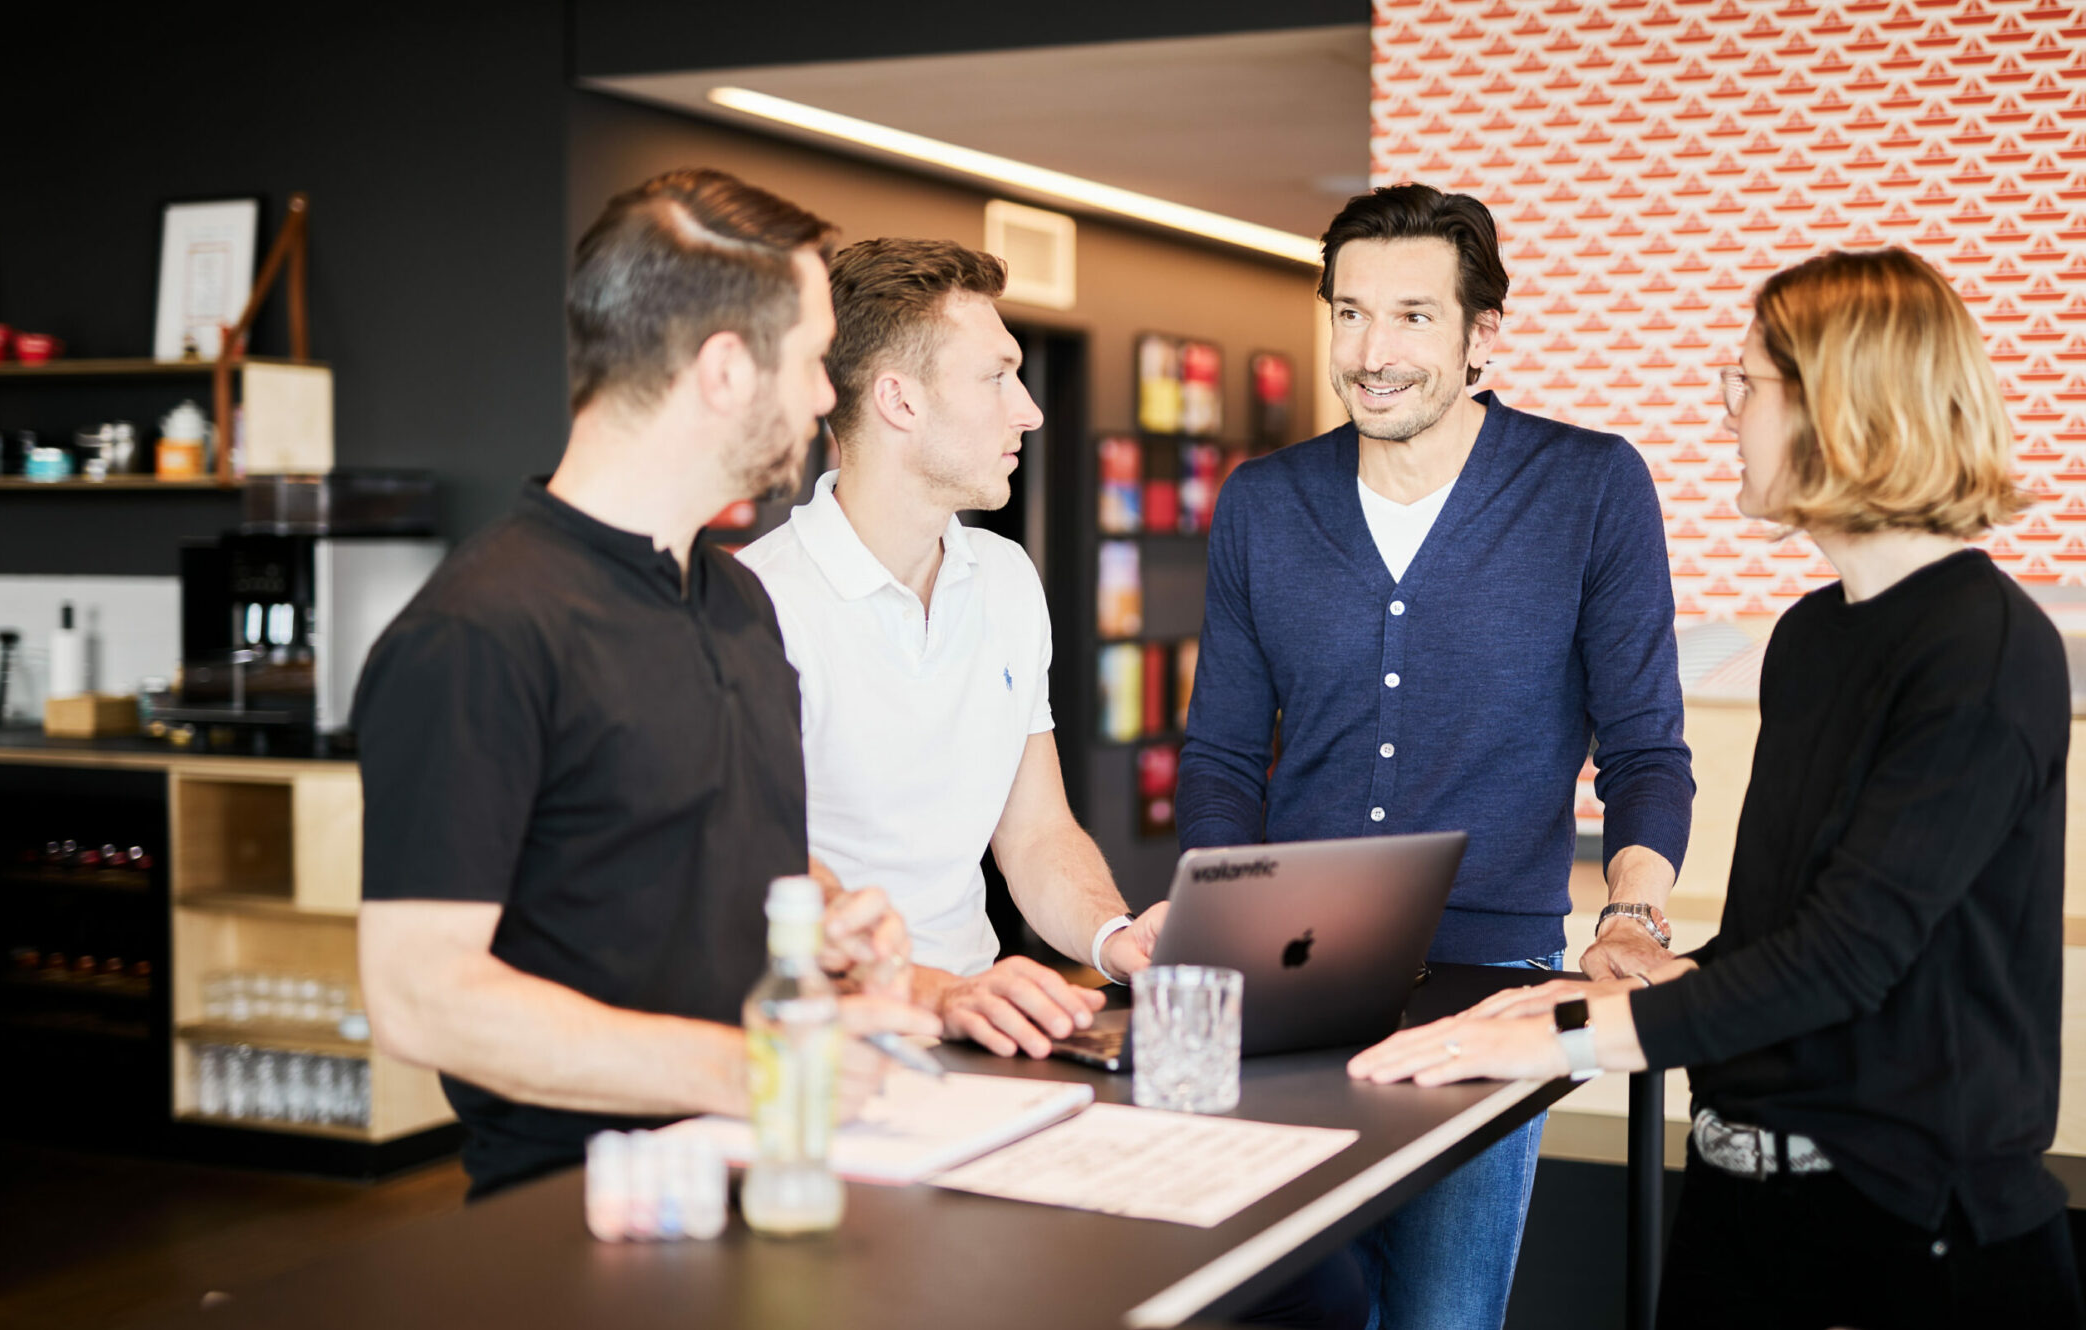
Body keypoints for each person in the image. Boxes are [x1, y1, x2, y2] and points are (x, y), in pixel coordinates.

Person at [1350, 248, 2084, 1329]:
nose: (1726, 409)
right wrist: (1600, 991)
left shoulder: (1981, 650)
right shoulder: (1813, 635)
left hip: (1915, 1235)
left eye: (1748, 382)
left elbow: (1847, 962)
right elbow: (1783, 939)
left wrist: (1557, 1041)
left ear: (1841, 404)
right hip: (1741, 1207)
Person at [352, 169, 939, 1200]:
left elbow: (669, 843)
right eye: (811, 360)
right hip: (577, 1211)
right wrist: (745, 1069)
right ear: (725, 369)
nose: (823, 396)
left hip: (767, 1171)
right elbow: (419, 996)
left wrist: (818, 921)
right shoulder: (477, 633)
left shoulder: (738, 600)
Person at [1177, 182, 1695, 1327]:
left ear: (1479, 335)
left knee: (1443, 1314)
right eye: (1349, 313)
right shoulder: (1265, 503)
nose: (1372, 353)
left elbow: (1646, 747)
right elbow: (1219, 752)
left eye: (1412, 315)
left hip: (1494, 981)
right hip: (1290, 977)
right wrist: (1216, 924)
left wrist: (1630, 914)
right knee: (1285, 1303)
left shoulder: (1587, 485)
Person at [739, 237, 1168, 1059]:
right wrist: (938, 992)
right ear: (899, 401)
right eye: (997, 376)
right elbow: (760, 886)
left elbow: (1036, 833)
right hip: (821, 1046)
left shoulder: (1005, 577)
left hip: (979, 1031)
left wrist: (1114, 939)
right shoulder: (756, 605)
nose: (1029, 410)